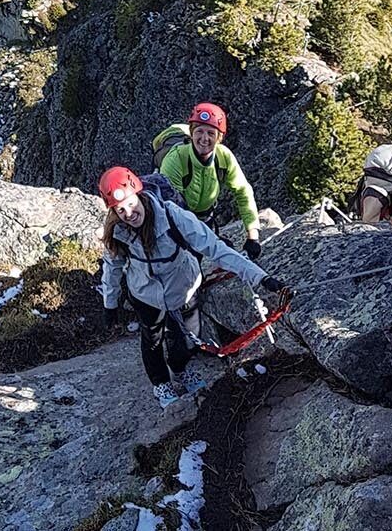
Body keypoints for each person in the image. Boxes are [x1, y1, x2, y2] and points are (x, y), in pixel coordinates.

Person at [97, 165, 291, 406]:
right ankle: (161, 384)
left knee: (188, 338)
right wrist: (110, 304)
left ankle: (179, 370)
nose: (128, 213)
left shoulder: (172, 215)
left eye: (130, 203)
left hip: (184, 286)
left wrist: (260, 278)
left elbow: (217, 249)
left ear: (138, 193)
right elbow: (112, 268)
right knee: (152, 339)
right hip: (146, 294)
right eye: (120, 209)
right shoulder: (117, 232)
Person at [153, 103, 265, 259]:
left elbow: (243, 191)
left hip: (205, 217)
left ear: (219, 138)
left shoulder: (223, 156)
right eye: (199, 131)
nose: (204, 139)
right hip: (176, 222)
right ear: (191, 133)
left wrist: (253, 236)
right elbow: (172, 210)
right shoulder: (176, 159)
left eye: (211, 133)